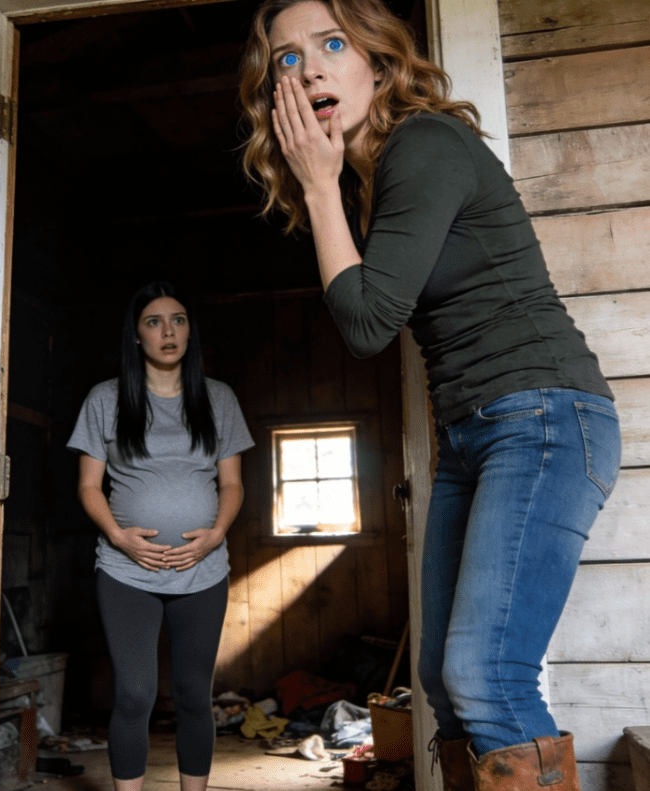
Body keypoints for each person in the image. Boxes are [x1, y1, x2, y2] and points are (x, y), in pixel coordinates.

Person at [238, 2, 621, 790]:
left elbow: (368, 322)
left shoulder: (423, 144)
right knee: (445, 687)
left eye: (332, 43)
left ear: (377, 63)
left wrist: (319, 188)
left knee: (487, 675)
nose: (310, 67)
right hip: (474, 433)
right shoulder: (376, 179)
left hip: (543, 418)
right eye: (288, 57)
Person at [67, 281, 254, 791]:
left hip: (203, 568)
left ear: (190, 331)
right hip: (127, 570)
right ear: (136, 335)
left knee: (194, 695)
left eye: (178, 320)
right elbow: (89, 486)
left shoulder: (218, 398)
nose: (167, 331)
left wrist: (216, 534)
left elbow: (232, 484)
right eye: (154, 321)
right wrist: (118, 537)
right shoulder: (106, 398)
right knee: (134, 695)